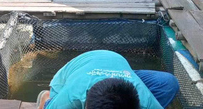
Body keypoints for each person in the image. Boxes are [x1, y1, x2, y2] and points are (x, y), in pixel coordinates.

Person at [37, 50, 179, 109]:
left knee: (168, 84)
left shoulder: (146, 102)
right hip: (79, 67)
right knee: (50, 101)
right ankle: (47, 97)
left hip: (118, 64)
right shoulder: (71, 97)